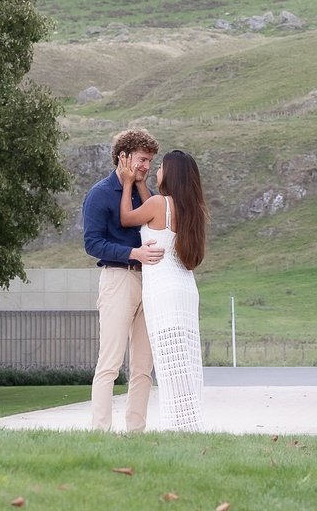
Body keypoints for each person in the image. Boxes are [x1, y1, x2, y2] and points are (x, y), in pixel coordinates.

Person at [118, 148, 206, 431]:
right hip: (184, 289)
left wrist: (130, 182)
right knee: (185, 360)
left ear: (171, 174)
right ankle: (189, 421)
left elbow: (127, 218)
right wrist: (143, 186)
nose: (156, 171)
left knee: (169, 362)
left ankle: (177, 424)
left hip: (163, 290)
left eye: (161, 167)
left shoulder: (159, 204)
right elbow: (154, 218)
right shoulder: (188, 208)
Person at [82, 127, 162, 431]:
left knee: (143, 367)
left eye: (150, 162)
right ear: (123, 156)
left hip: (149, 283)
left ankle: (136, 433)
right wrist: (134, 254)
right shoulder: (100, 194)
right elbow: (93, 244)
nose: (146, 167)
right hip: (118, 279)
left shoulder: (148, 196)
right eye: (142, 160)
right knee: (110, 363)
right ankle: (100, 431)